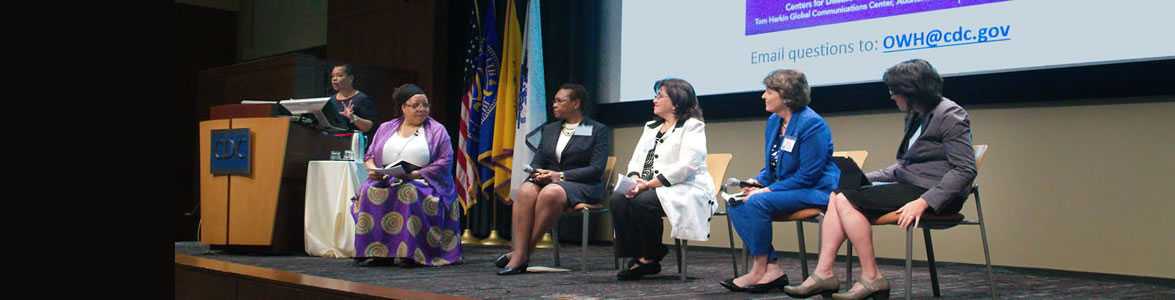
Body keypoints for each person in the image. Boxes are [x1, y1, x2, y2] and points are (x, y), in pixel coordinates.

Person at [783, 59, 976, 299]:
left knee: (845, 200)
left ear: (911, 91)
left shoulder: (950, 114)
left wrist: (924, 201)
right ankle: (824, 274)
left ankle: (871, 278)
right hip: (912, 185)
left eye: (894, 91)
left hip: (935, 194)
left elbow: (965, 169)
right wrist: (866, 177)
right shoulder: (917, 115)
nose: (892, 97)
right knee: (837, 194)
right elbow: (904, 167)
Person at [721, 69, 840, 293]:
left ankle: (758, 269)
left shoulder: (812, 124)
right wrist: (756, 182)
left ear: (786, 95)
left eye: (768, 91)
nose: (763, 96)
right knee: (736, 201)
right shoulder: (774, 121)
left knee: (757, 202)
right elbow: (774, 165)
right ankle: (772, 267)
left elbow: (808, 176)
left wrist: (766, 190)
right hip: (788, 188)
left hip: (816, 189)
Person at [495, 83, 613, 275]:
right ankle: (521, 254)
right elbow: (538, 161)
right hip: (550, 180)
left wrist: (560, 176)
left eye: (560, 101)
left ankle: (520, 254)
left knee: (551, 192)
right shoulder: (550, 129)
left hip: (583, 185)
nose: (554, 105)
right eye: (554, 100)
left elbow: (596, 169)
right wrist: (537, 172)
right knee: (525, 190)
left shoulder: (598, 130)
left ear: (576, 103)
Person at [609, 78, 716, 281]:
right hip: (648, 185)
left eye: (660, 96)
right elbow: (636, 160)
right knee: (618, 199)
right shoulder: (651, 127)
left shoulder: (692, 126)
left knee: (643, 201)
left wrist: (648, 184)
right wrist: (634, 178)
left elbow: (687, 166)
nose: (654, 100)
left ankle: (650, 256)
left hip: (684, 186)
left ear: (676, 101)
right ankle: (639, 255)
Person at [352, 84, 461, 267]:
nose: (422, 109)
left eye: (425, 105)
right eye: (416, 105)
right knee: (368, 190)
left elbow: (445, 161)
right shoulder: (386, 128)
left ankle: (409, 252)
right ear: (403, 107)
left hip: (424, 181)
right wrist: (373, 170)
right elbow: (370, 155)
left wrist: (417, 173)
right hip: (388, 177)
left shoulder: (437, 130)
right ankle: (377, 252)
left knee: (408, 191)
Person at [329, 64, 377, 140]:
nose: (334, 79)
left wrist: (353, 118)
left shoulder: (362, 99)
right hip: (334, 143)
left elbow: (369, 127)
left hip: (354, 144)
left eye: (339, 75)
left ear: (350, 78)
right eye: (333, 76)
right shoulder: (331, 100)